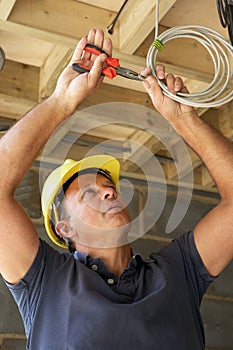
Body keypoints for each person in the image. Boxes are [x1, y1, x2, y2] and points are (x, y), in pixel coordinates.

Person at [0, 28, 232, 350]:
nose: (110, 193)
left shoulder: (178, 271)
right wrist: (62, 100)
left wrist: (183, 119)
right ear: (64, 228)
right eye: (89, 193)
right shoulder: (45, 282)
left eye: (109, 186)